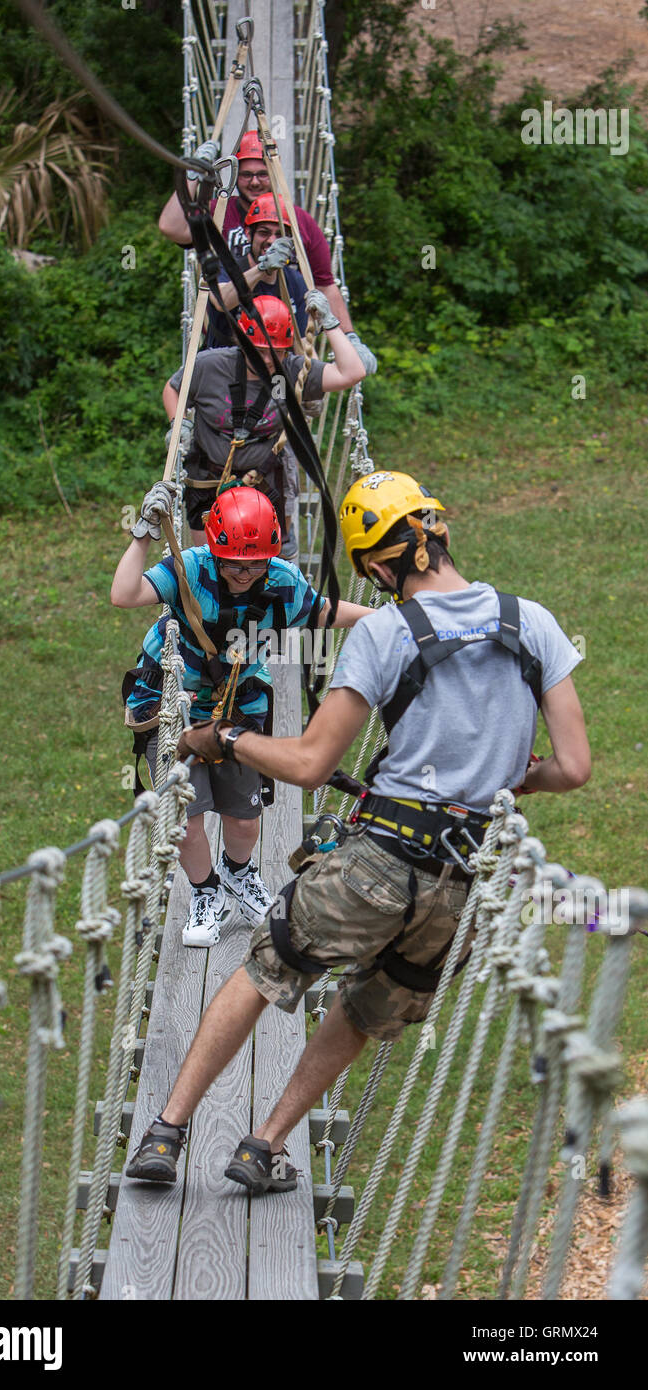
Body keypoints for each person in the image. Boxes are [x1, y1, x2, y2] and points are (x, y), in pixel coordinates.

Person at [125, 470, 591, 1191]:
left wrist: (229, 742)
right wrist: (512, 776)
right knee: (364, 1006)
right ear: (437, 532)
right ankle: (263, 1145)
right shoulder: (532, 621)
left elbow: (310, 764)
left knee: (266, 967)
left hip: (379, 860)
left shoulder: (383, 631)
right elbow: (573, 766)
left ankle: (167, 1130)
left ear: (376, 565)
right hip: (461, 882)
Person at [112, 482, 371, 948]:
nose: (244, 573)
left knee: (245, 818)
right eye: (234, 562)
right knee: (186, 819)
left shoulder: (281, 580)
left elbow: (320, 612)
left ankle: (237, 874)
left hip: (238, 708)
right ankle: (205, 891)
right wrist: (143, 533)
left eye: (255, 562)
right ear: (214, 548)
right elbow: (124, 594)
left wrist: (377, 618)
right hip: (172, 706)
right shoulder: (190, 569)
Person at [158, 129, 377, 376]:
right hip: (229, 343)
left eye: (263, 174)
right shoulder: (219, 213)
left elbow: (325, 285)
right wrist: (193, 175)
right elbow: (171, 226)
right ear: (249, 233)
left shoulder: (300, 223)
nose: (254, 182)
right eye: (247, 174)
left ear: (274, 174)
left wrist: (350, 338)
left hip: (283, 351)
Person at [163, 290, 364, 553]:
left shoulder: (293, 370)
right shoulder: (209, 365)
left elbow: (353, 373)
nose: (267, 360)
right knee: (210, 560)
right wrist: (178, 423)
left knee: (265, 557)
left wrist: (330, 322)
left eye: (276, 352)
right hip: (209, 477)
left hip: (266, 475)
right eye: (258, 351)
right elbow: (173, 388)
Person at [205, 193, 309, 348]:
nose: (272, 241)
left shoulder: (295, 282)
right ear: (248, 234)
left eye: (280, 235)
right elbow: (223, 302)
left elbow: (301, 345)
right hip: (225, 364)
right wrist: (262, 269)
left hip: (273, 367)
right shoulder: (224, 267)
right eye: (264, 233)